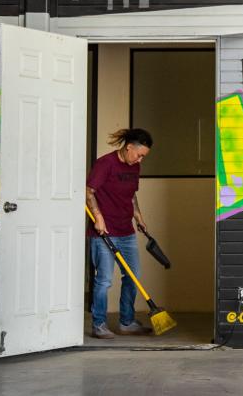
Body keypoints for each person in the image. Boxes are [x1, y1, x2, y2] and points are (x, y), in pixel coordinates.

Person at [87, 128, 154, 339]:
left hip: (126, 231)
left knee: (132, 277)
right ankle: (99, 325)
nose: (140, 159)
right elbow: (89, 192)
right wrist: (98, 217)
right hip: (104, 232)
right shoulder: (105, 164)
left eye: (143, 156)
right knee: (104, 280)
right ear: (128, 148)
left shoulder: (135, 167)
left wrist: (138, 216)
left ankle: (127, 322)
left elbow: (131, 195)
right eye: (139, 154)